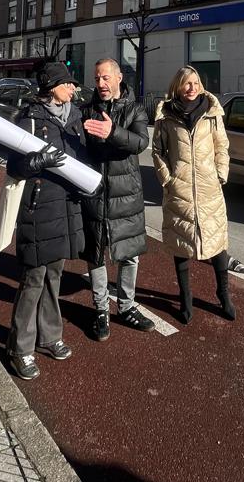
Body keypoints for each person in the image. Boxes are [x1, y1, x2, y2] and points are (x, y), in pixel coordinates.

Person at [6, 61, 87, 380]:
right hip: (38, 207)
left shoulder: (76, 115)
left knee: (55, 275)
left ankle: (50, 336)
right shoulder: (29, 117)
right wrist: (37, 161)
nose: (73, 88)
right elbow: (13, 165)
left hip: (66, 207)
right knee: (33, 279)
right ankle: (20, 349)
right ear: (52, 86)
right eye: (68, 83)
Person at [153, 65, 235, 324]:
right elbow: (157, 151)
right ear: (178, 86)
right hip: (180, 190)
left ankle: (223, 294)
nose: (192, 88)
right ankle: (185, 297)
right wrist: (167, 179)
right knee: (181, 245)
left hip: (209, 189)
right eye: (187, 83)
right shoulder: (166, 115)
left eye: (196, 82)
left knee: (218, 245)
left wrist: (221, 173)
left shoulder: (212, 113)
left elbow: (222, 145)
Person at [81, 58, 153, 341]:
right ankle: (101, 309)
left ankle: (126, 306)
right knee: (96, 252)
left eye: (106, 78)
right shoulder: (86, 109)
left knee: (129, 254)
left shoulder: (135, 109)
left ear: (119, 77)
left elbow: (140, 143)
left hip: (127, 195)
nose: (101, 84)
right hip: (95, 192)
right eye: (97, 78)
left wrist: (113, 132)